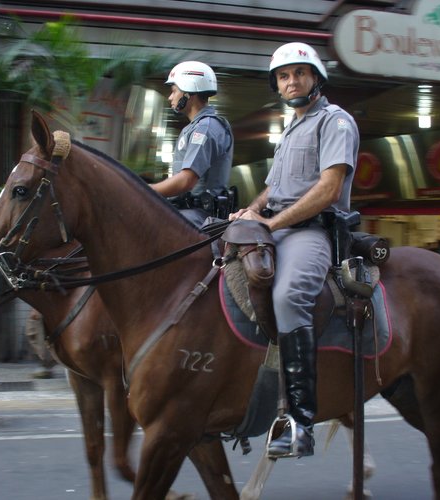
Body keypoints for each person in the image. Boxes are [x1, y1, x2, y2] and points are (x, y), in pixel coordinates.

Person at [230, 42, 359, 458]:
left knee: (288, 297)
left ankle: (299, 421)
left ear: (316, 78)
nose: (291, 81)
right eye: (283, 76)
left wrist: (270, 223)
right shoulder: (290, 129)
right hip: (276, 227)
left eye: (299, 73)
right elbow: (274, 188)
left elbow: (329, 188)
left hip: (310, 232)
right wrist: (250, 211)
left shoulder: (335, 121)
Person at [151, 61, 234, 226]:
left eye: (174, 91)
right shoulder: (196, 127)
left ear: (189, 92)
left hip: (197, 218)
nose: (170, 97)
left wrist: (144, 189)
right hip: (186, 212)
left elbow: (186, 181)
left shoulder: (205, 128)